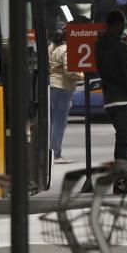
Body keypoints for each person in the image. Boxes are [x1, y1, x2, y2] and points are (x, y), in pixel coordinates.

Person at [95, 10, 127, 173]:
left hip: (109, 100)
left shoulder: (99, 46)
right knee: (124, 141)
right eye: (122, 24)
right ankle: (122, 178)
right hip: (125, 100)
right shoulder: (122, 48)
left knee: (123, 138)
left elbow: (101, 71)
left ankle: (123, 177)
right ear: (117, 24)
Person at [48, 29, 81, 164]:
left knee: (52, 121)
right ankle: (57, 154)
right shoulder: (66, 49)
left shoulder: (50, 48)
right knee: (60, 123)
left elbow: (51, 67)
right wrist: (80, 76)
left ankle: (50, 152)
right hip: (64, 88)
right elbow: (70, 71)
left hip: (52, 86)